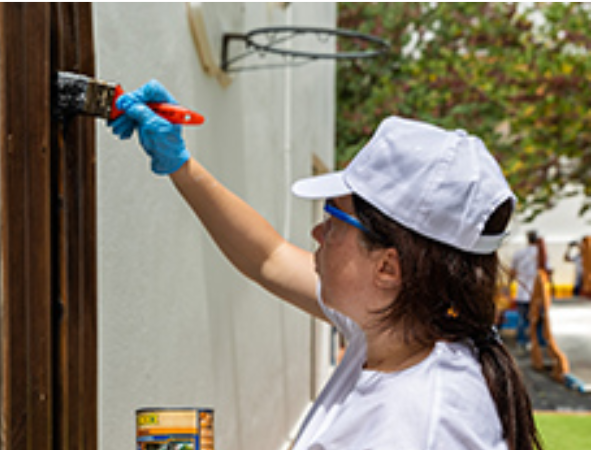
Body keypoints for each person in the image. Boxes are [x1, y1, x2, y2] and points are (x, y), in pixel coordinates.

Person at [109, 80, 543, 450]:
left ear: (388, 268)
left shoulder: (417, 426)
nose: (317, 234)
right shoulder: (401, 330)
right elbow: (268, 256)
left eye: (333, 220)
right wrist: (180, 165)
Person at [509, 231, 539, 350]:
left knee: (522, 318)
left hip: (521, 292)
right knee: (538, 318)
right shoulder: (540, 254)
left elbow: (512, 272)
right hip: (536, 292)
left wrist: (508, 287)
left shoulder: (519, 253)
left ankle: (521, 341)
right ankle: (538, 342)